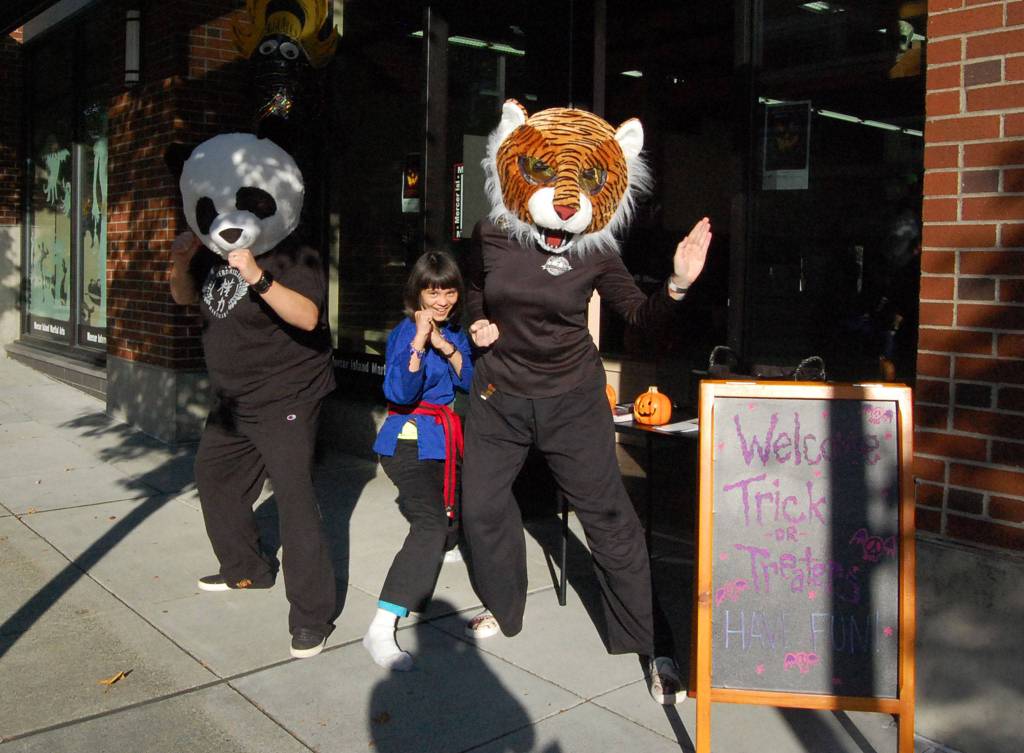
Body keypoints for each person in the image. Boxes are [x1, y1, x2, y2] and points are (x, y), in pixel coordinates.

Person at [459, 100, 712, 705]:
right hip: (499, 394)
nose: (564, 202)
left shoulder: (596, 248)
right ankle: (504, 606)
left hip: (573, 398)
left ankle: (655, 645)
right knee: (481, 508)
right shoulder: (492, 233)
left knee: (610, 521)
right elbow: (473, 289)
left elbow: (637, 316)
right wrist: (476, 322)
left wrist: (675, 285)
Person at [167, 131, 337, 660]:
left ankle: (312, 617)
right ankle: (248, 570)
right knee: (214, 481)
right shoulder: (213, 250)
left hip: (286, 394)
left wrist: (258, 276)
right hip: (231, 401)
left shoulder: (294, 254)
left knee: (295, 503)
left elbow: (308, 318)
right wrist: (178, 261)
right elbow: (185, 297)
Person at [362, 251, 474, 671]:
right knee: (429, 524)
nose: (442, 300)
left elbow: (471, 381)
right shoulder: (403, 333)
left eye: (449, 291)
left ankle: (447, 542)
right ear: (418, 292)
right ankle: (381, 625)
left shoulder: (456, 333)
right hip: (408, 443)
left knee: (459, 512)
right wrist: (419, 344)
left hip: (447, 442)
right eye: (433, 291)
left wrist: (444, 344)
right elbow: (401, 394)